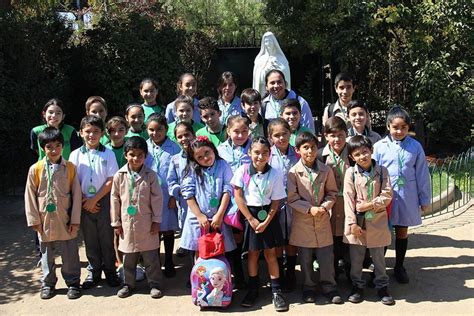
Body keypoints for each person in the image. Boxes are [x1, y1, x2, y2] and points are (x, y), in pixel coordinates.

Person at [373, 107, 431, 284]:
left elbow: (422, 174)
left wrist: (424, 199)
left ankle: (399, 266)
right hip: (385, 197)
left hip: (407, 196)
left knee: (402, 231)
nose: (399, 131)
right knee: (382, 232)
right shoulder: (379, 147)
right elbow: (373, 173)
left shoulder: (415, 147)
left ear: (408, 127)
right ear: (388, 126)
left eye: (403, 127)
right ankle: (379, 268)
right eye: (395, 127)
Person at [231, 136, 289, 311]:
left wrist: (266, 221)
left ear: (270, 154)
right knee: (253, 254)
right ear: (249, 152)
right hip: (250, 215)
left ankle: (276, 291)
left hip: (269, 217)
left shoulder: (275, 173)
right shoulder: (242, 171)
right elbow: (238, 197)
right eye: (256, 152)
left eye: (265, 153)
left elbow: (276, 201)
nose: (260, 156)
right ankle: (253, 289)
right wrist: (251, 219)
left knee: (271, 254)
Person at [24, 127, 82, 300]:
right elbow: (29, 195)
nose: (54, 150)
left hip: (65, 219)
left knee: (70, 253)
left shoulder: (70, 168)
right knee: (47, 255)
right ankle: (48, 284)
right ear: (43, 148)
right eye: (49, 147)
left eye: (58, 146)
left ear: (63, 147)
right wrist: (34, 220)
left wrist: (75, 220)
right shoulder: (36, 169)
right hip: (44, 220)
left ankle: (73, 283)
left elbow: (77, 195)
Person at [287, 131, 342, 304]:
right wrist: (310, 209)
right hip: (303, 221)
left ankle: (329, 287)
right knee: (306, 258)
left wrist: (325, 207)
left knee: (326, 257)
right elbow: (292, 198)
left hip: (323, 219)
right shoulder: (293, 172)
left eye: (312, 147)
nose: (310, 151)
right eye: (305, 148)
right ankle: (308, 287)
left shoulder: (326, 170)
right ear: (298, 150)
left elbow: (332, 193)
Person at [69, 115, 120, 289]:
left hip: (103, 200)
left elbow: (111, 179)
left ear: (103, 133)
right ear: (81, 133)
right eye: (88, 131)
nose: (92, 135)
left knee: (106, 238)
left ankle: (110, 271)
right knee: (90, 239)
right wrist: (85, 200)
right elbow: (72, 179)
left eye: (96, 132)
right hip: (82, 201)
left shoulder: (108, 153)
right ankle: (94, 271)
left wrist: (94, 200)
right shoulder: (75, 155)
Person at [110, 136, 164, 299]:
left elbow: (157, 198)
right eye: (132, 154)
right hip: (126, 223)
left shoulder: (151, 175)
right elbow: (114, 199)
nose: (136, 158)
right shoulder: (119, 175)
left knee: (151, 256)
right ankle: (128, 284)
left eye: (140, 155)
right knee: (128, 257)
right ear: (126, 155)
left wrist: (156, 220)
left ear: (146, 156)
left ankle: (154, 283)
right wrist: (116, 222)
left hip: (147, 223)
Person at [344, 135, 394, 305]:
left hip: (377, 220)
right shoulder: (350, 173)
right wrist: (351, 223)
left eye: (365, 152)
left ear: (371, 151)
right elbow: (348, 199)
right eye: (357, 154)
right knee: (356, 257)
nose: (362, 157)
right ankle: (357, 286)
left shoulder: (382, 171)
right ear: (352, 157)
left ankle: (382, 286)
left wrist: (369, 205)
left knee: (378, 257)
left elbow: (387, 195)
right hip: (357, 222)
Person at [180, 136, 236, 257]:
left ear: (213, 149)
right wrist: (200, 216)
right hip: (198, 219)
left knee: (220, 248)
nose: (205, 158)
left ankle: (220, 276)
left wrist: (219, 215)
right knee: (200, 250)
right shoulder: (192, 169)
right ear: (194, 159)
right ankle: (200, 275)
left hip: (219, 218)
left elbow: (228, 190)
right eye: (200, 157)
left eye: (207, 152)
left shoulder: (223, 165)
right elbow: (188, 195)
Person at [145, 113, 181, 277]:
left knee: (167, 229)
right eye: (151, 130)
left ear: (166, 129)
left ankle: (169, 260)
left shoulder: (175, 148)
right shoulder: (144, 147)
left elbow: (179, 173)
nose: (155, 133)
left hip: (168, 196)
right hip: (150, 195)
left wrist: (174, 196)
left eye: (159, 129)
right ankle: (155, 262)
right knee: (154, 229)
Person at [267, 118, 299, 292]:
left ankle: (291, 273)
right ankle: (279, 272)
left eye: (284, 134)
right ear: (270, 137)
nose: (281, 138)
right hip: (275, 206)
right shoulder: (268, 155)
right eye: (276, 135)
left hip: (294, 204)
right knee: (278, 240)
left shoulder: (297, 153)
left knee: (292, 239)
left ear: (290, 133)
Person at [320, 116, 351, 279]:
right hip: (329, 206)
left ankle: (351, 276)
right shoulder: (320, 156)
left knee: (349, 241)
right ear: (326, 136)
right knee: (331, 241)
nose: (337, 139)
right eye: (332, 135)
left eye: (340, 135)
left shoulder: (353, 153)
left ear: (347, 134)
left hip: (349, 205)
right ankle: (332, 277)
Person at [167, 121, 196, 258]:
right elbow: (171, 181)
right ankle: (193, 272)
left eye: (187, 135)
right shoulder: (175, 159)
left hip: (204, 202)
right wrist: (178, 190)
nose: (184, 138)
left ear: (193, 134)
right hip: (185, 204)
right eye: (180, 136)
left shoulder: (202, 155)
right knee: (189, 233)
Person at [253, 32, 291, 96]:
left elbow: (285, 72)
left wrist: (275, 68)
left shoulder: (280, 58)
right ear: (264, 43)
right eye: (266, 41)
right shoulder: (260, 59)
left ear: (274, 42)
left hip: (278, 89)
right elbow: (257, 77)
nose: (268, 44)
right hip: (264, 91)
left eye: (270, 41)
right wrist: (265, 70)